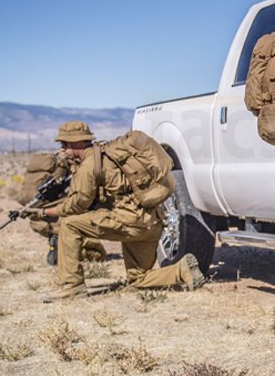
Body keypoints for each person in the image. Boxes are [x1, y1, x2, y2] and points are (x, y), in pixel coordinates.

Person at [36, 121, 204, 301]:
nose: (62, 149)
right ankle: (182, 271)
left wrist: (45, 213)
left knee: (69, 225)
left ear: (77, 142)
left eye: (64, 144)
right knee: (138, 279)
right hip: (152, 221)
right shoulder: (107, 154)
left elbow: (77, 205)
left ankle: (72, 286)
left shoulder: (89, 165)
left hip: (130, 222)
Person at [18, 150, 106, 266]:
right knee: (98, 255)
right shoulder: (77, 163)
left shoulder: (57, 163)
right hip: (62, 213)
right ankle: (65, 249)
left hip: (44, 217)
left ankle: (58, 241)